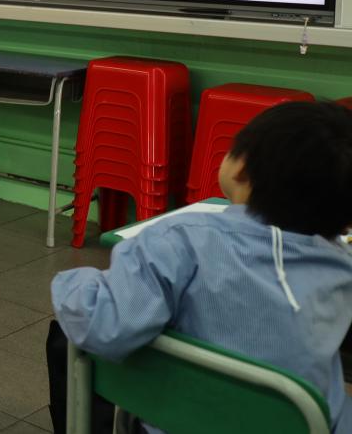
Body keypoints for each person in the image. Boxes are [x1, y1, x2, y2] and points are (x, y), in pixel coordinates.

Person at [46, 101, 352, 434]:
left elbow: (105, 328)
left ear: (241, 169)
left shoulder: (178, 241)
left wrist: (75, 282)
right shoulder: (341, 269)